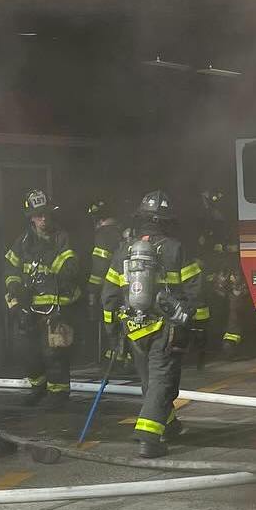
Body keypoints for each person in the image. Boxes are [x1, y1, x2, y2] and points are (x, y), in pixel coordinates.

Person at [100, 190, 202, 457]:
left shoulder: (124, 249)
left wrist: (113, 333)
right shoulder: (175, 248)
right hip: (163, 329)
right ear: (167, 221)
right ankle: (148, 437)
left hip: (133, 328)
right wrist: (193, 321)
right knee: (162, 381)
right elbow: (195, 289)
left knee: (149, 380)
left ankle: (168, 425)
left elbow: (109, 295)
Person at [4, 190, 83, 408]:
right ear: (31, 217)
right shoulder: (22, 242)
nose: (43, 219)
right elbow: (11, 268)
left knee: (55, 353)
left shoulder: (63, 238)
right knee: (26, 352)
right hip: (30, 308)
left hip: (58, 307)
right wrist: (16, 289)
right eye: (38, 215)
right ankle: (38, 388)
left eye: (47, 214)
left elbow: (70, 267)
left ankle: (58, 395)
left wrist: (48, 262)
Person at [197, 187, 248, 362]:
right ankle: (219, 342)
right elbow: (206, 248)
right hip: (220, 270)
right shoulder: (211, 225)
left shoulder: (232, 224)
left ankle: (230, 344)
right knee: (218, 305)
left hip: (233, 269)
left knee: (235, 305)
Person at [85, 197, 123, 366]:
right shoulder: (123, 232)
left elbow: (100, 267)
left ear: (98, 220)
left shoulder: (103, 234)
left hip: (111, 285)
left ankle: (117, 355)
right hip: (130, 286)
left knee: (110, 319)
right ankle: (124, 354)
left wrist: (92, 290)